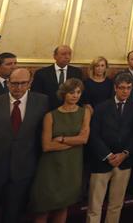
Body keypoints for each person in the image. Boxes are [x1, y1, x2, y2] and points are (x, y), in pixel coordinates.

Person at [0, 68, 49, 223]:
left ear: (30, 83)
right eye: (14, 84)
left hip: (22, 169)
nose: (18, 88)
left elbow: (41, 134)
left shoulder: (42, 102)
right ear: (8, 83)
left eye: (23, 83)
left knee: (13, 214)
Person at [29, 78, 91, 222]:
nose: (75, 96)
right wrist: (74, 141)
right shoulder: (50, 116)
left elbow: (84, 139)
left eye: (78, 92)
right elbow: (47, 146)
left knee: (64, 206)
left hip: (72, 165)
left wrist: (62, 139)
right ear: (63, 94)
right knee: (43, 207)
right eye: (71, 92)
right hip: (51, 167)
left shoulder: (84, 112)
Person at [87, 72, 133, 223]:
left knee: (116, 205)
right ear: (115, 88)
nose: (125, 91)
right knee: (94, 207)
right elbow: (94, 135)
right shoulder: (101, 107)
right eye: (122, 88)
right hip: (102, 161)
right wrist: (108, 155)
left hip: (124, 162)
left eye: (129, 88)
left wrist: (124, 154)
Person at [31, 45, 83, 110]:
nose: (67, 57)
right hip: (48, 109)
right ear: (55, 56)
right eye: (63, 54)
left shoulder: (77, 72)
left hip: (70, 109)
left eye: (69, 54)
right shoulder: (41, 73)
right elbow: (36, 95)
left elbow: (80, 92)